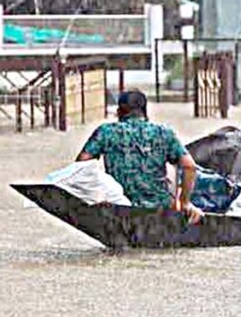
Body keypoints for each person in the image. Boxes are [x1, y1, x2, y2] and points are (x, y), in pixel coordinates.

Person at [76, 90, 202, 224]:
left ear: (119, 112)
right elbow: (189, 166)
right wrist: (184, 202)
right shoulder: (164, 133)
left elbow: (81, 165)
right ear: (145, 112)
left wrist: (97, 195)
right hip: (160, 208)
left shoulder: (106, 132)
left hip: (120, 206)